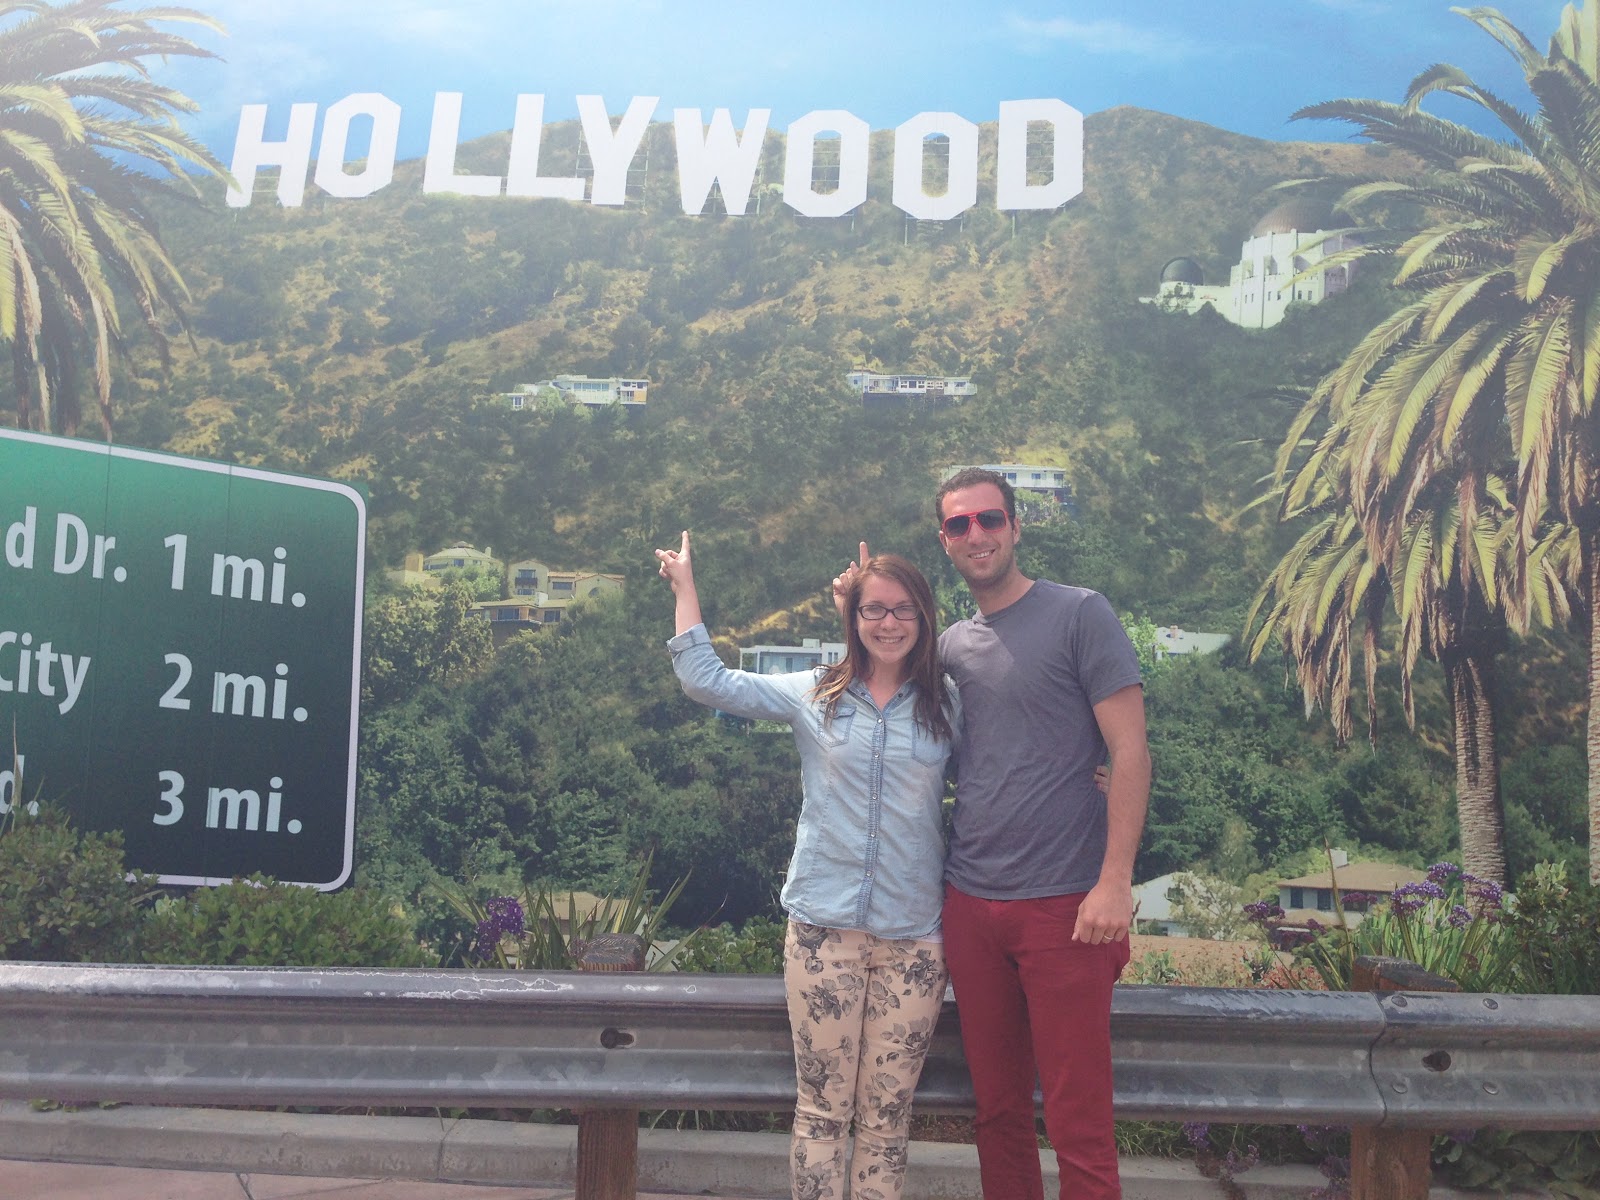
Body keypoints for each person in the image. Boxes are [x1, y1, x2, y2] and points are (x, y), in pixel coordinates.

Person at [654, 530, 958, 1200]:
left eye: (903, 610)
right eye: (874, 609)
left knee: (887, 1120)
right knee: (822, 1111)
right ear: (853, 617)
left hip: (914, 939)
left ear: (924, 618)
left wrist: (1095, 773)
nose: (889, 623)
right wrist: (685, 587)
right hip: (824, 932)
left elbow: (1011, 765)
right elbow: (707, 681)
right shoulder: (815, 693)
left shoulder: (947, 702)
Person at [935, 466, 1150, 1200]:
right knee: (996, 1115)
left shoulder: (1080, 613)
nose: (977, 535)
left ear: (1015, 527)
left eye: (989, 519)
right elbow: (880, 697)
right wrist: (852, 604)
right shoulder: (950, 647)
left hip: (1067, 905)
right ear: (946, 540)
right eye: (960, 524)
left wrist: (1115, 881)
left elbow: (1130, 750)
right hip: (970, 905)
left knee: (1077, 1121)